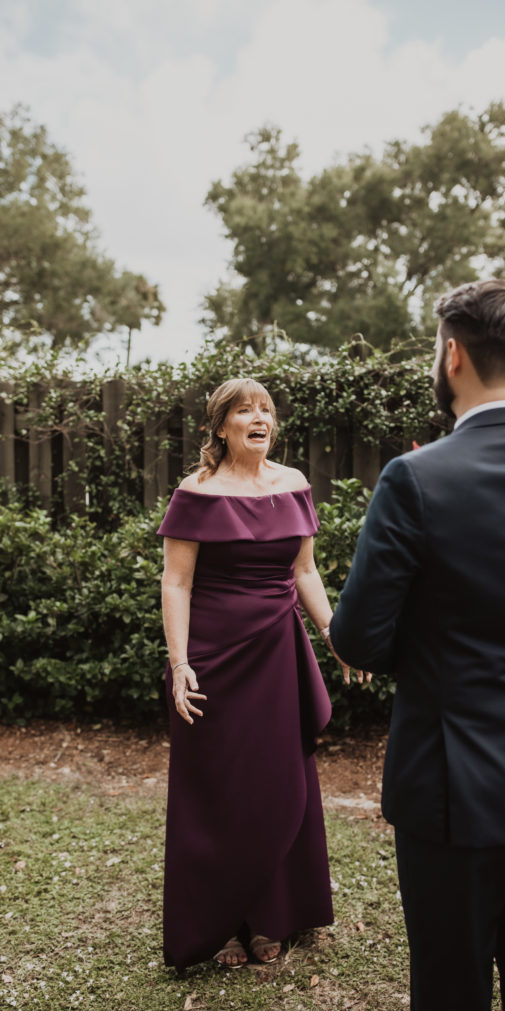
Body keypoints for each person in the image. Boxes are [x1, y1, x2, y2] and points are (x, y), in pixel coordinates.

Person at [329, 279, 505, 1011]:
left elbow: (359, 635)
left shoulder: (414, 478)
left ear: (451, 355)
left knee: (451, 988)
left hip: (453, 789)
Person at [158, 377, 364, 972]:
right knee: (217, 788)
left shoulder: (293, 484)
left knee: (278, 779)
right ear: (219, 426)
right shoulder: (195, 492)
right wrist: (180, 664)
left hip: (277, 653)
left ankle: (275, 914)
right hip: (214, 657)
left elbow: (305, 572)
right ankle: (218, 924)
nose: (259, 418)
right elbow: (177, 582)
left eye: (266, 409)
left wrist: (334, 635)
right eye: (245, 410)